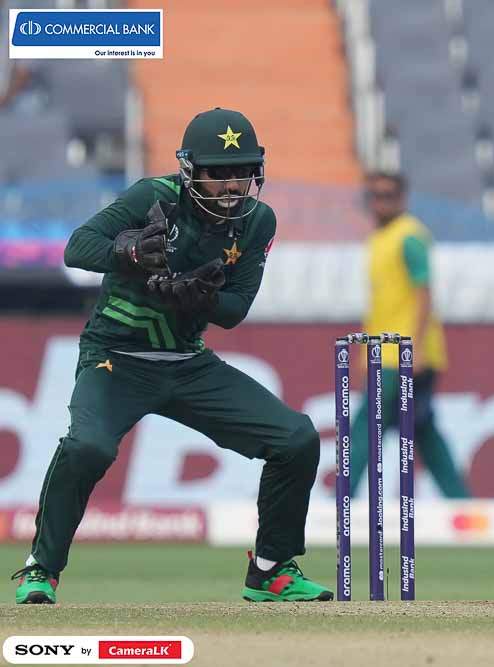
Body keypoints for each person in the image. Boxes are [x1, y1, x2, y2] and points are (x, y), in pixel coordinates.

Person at [10, 108, 333, 604]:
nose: (232, 185)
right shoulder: (153, 197)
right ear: (190, 170)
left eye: (242, 172)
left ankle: (271, 571)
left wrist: (197, 298)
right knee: (87, 448)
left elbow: (234, 311)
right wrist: (130, 253)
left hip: (187, 362)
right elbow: (78, 247)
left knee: (296, 439)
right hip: (116, 357)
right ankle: (41, 569)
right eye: (218, 173)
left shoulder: (257, 222)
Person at [346, 171, 470, 499]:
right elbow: (381, 307)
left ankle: (341, 500)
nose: (379, 202)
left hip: (400, 354)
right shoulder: (379, 241)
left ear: (402, 199)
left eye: (387, 195)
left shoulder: (409, 236)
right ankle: (462, 501)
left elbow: (424, 293)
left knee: (365, 426)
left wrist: (414, 348)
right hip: (384, 352)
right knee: (422, 429)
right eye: (374, 195)